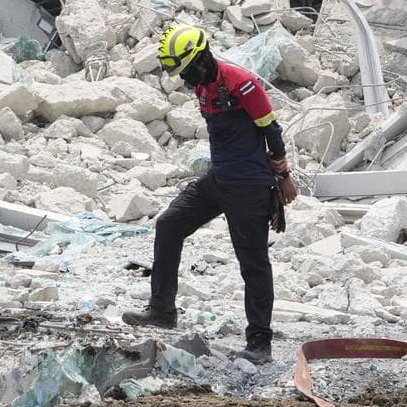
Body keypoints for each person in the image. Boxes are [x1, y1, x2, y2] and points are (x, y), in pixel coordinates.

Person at [122, 23, 297, 365]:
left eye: (185, 70)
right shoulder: (203, 85)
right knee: (170, 224)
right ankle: (161, 310)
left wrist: (283, 176)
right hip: (219, 180)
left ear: (200, 59)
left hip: (248, 187)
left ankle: (260, 343)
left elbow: (271, 129)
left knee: (253, 263)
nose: (184, 79)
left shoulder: (241, 83)